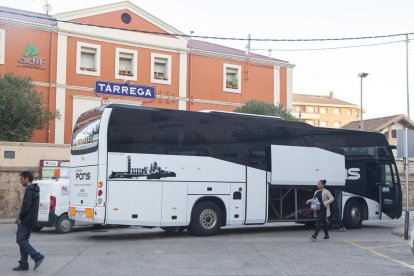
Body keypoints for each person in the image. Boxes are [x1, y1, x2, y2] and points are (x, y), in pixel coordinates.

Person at [13, 171, 44, 271]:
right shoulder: (34, 189)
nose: (21, 181)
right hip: (31, 219)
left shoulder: (30, 190)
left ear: (27, 179)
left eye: (21, 179)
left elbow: (26, 207)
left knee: (20, 240)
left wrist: (19, 218)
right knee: (23, 240)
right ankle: (23, 264)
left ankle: (37, 256)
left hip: (26, 220)